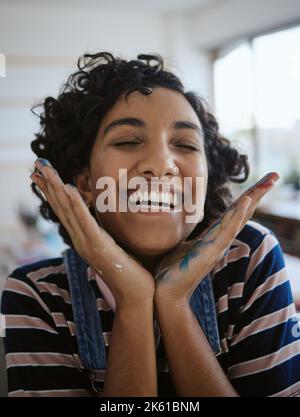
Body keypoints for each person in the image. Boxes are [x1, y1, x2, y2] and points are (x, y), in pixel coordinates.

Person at [1, 52, 300, 397]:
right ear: (84, 183)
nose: (161, 165)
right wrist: (134, 301)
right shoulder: (36, 296)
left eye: (185, 144)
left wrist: (173, 303)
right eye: (127, 141)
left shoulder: (249, 257)